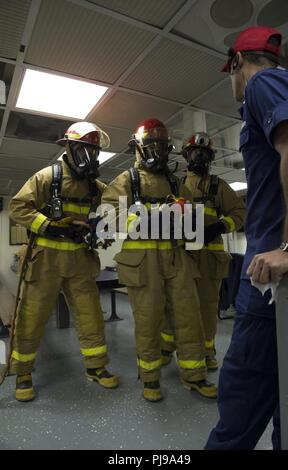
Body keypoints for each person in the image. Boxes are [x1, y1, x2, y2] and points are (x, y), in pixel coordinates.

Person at [205, 26, 288, 450]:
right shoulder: (282, 90)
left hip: (270, 286)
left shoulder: (263, 81)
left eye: (230, 72)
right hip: (281, 285)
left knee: (239, 412)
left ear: (238, 62)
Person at [101, 118, 217, 402]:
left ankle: (194, 375)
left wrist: (185, 212)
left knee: (189, 317)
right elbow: (108, 218)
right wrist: (151, 217)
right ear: (138, 148)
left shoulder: (176, 181)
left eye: (162, 146)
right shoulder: (127, 180)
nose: (157, 151)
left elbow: (192, 215)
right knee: (148, 320)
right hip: (143, 261)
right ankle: (150, 380)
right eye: (151, 145)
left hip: (177, 257)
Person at [9, 121, 119, 402]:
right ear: (69, 148)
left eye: (94, 152)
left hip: (80, 260)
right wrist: (49, 225)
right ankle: (23, 372)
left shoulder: (97, 187)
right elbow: (18, 206)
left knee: (90, 315)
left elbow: (113, 210)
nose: (90, 158)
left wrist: (101, 228)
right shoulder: (48, 176)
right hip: (45, 259)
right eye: (85, 150)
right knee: (31, 317)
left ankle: (96, 367)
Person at [160, 132, 245, 370]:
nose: (198, 157)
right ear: (186, 155)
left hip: (210, 258)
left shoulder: (219, 186)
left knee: (207, 307)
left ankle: (207, 352)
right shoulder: (175, 184)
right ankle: (166, 346)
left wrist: (220, 225)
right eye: (194, 153)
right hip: (182, 255)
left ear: (209, 158)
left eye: (203, 153)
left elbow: (239, 213)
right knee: (173, 303)